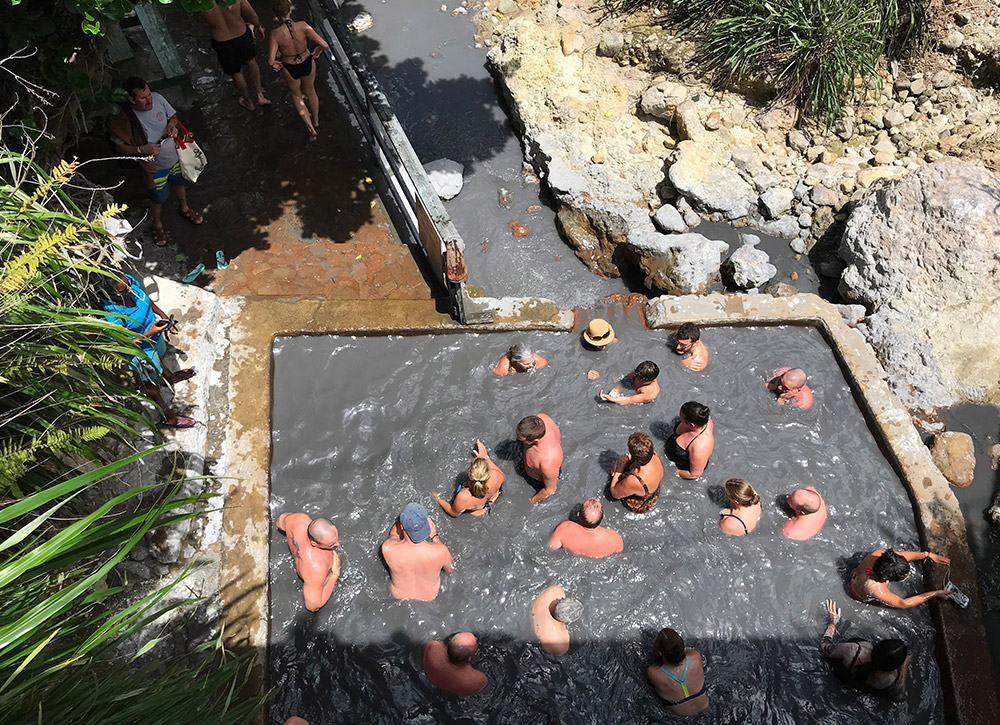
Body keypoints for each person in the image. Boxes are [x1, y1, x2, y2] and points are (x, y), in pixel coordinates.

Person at [109, 77, 205, 247]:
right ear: (132, 100)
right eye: (143, 98)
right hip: (154, 167)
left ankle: (185, 208)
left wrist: (172, 126)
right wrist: (142, 150)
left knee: (179, 183)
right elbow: (120, 147)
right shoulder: (123, 118)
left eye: (149, 94)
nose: (149, 100)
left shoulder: (158, 98)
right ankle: (157, 224)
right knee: (157, 197)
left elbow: (172, 116)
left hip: (175, 158)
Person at [102, 272, 197, 428]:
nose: (131, 291)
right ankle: (166, 415)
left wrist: (164, 316)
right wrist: (148, 334)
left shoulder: (129, 285)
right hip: (140, 350)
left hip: (154, 334)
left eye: (129, 285)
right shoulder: (111, 313)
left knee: (161, 354)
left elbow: (146, 299)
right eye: (124, 291)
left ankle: (169, 377)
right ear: (111, 294)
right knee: (151, 383)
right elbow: (123, 343)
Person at [820, 600, 911, 701]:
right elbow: (899, 698)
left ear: (878, 646)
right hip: (860, 689)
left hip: (844, 677)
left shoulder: (853, 650)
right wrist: (904, 666)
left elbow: (824, 648)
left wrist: (832, 624)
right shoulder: (894, 679)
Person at [268, 0, 329, 140]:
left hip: (289, 66)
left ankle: (310, 128)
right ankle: (316, 120)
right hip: (307, 60)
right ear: (290, 10)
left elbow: (271, 61)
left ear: (276, 15)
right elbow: (324, 44)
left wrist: (278, 65)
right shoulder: (303, 26)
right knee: (311, 91)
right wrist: (318, 51)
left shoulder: (275, 34)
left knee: (296, 95)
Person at [197, 0, 269, 112]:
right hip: (241, 34)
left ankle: (248, 102)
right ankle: (260, 95)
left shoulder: (201, 2)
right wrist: (258, 26)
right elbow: (252, 15)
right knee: (251, 62)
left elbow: (201, 21)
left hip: (222, 40)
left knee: (236, 72)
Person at [381, 503, 455, 601]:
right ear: (428, 526)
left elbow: (393, 536)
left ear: (402, 527)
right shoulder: (441, 552)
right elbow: (450, 569)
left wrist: (398, 526)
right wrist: (434, 536)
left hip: (399, 596)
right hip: (430, 597)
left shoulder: (388, 549)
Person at [275, 512, 341, 612]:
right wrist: (334, 575)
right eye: (331, 544)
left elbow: (280, 521)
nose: (337, 544)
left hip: (301, 556)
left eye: (336, 539)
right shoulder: (317, 567)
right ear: (314, 543)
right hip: (310, 573)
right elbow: (312, 606)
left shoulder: (299, 519)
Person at [848, 549, 951, 608]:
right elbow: (903, 603)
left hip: (855, 576)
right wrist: (935, 593)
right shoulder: (876, 589)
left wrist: (928, 555)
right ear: (886, 579)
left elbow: (901, 555)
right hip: (857, 594)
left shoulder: (878, 554)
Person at [433, 439, 505, 517]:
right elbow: (500, 474)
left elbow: (453, 513)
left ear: (470, 474)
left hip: (475, 511)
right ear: (487, 472)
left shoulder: (464, 497)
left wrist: (437, 498)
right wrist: (485, 457)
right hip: (489, 501)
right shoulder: (497, 476)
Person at [647, 628, 709, 715]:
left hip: (680, 714)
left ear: (660, 653)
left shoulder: (654, 673)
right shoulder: (695, 657)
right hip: (704, 705)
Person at [548, 498, 624, 558]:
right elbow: (619, 552)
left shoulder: (564, 529)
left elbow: (550, 549)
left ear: (578, 514)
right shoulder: (615, 539)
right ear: (603, 516)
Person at [610, 432, 663, 513]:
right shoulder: (655, 455)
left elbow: (614, 493)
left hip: (639, 504)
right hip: (652, 490)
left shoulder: (633, 480)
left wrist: (619, 469)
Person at [423, 632, 488, 696]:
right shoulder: (476, 680)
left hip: (429, 681)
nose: (476, 638)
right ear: (469, 658)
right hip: (454, 692)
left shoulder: (432, 648)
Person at [517, 414, 563, 502]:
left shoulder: (548, 462)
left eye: (521, 440)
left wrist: (531, 501)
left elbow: (550, 490)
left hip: (540, 479)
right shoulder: (541, 418)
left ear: (535, 441)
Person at [665, 401, 714, 479]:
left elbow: (694, 474)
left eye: (682, 418)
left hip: (682, 464)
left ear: (692, 425)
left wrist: (671, 471)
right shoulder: (703, 417)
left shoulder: (699, 447)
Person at [532, 585, 583, 656]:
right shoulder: (556, 642)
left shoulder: (555, 591)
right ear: (567, 621)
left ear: (560, 600)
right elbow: (560, 652)